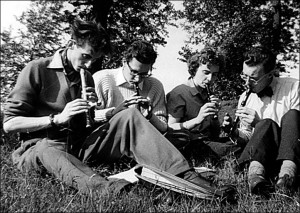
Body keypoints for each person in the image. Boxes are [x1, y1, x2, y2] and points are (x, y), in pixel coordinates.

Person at [3, 18, 234, 198]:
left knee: (130, 115)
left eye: (94, 60)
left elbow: (88, 121)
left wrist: (97, 114)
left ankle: (187, 177)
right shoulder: (37, 69)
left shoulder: (86, 76)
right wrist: (56, 119)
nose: (90, 65)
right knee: (47, 146)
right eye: (86, 57)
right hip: (40, 148)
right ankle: (108, 190)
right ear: (71, 44)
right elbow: (10, 124)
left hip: (78, 145)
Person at [88, 40, 235, 198]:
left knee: (178, 136)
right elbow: (86, 120)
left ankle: (179, 177)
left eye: (144, 74)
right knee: (131, 114)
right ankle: (184, 176)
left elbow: (164, 128)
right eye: (134, 72)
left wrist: (150, 116)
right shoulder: (102, 79)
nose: (138, 79)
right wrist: (116, 113)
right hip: (105, 144)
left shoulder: (154, 86)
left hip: (137, 145)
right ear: (124, 62)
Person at [225, 46, 300, 195]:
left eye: (253, 78)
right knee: (265, 124)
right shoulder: (244, 98)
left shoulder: (294, 87)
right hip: (263, 157)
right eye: (243, 75)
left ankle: (286, 178)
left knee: (292, 115)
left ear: (270, 74)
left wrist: (258, 122)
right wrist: (233, 132)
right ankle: (255, 178)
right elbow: (247, 138)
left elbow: (296, 129)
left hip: (291, 153)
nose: (246, 83)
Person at [166, 48, 240, 158]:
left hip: (208, 141)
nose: (210, 79)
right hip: (190, 145)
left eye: (214, 74)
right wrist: (197, 119)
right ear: (194, 70)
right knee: (239, 150)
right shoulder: (179, 93)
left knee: (241, 142)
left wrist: (215, 117)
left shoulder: (206, 93)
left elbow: (214, 134)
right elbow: (170, 128)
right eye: (206, 73)